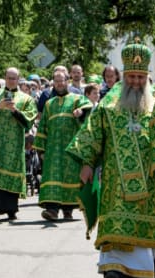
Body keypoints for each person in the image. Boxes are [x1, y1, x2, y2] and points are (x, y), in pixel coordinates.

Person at [66, 39, 155, 278]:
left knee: (143, 232)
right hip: (116, 182)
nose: (136, 82)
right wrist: (87, 163)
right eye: (132, 76)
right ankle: (113, 270)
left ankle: (141, 273)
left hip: (150, 180)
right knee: (116, 225)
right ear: (124, 75)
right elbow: (92, 134)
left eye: (141, 77)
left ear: (147, 77)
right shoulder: (108, 105)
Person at [0, 67, 38, 221]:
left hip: (14, 145)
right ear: (4, 78)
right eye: (9, 77)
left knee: (11, 174)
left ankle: (11, 209)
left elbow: (30, 119)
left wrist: (15, 110)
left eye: (14, 78)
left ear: (18, 79)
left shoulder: (26, 99)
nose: (11, 81)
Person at [34, 70, 92, 221]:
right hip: (53, 151)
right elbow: (42, 128)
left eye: (62, 80)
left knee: (70, 178)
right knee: (53, 178)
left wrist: (82, 111)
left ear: (68, 81)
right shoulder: (48, 104)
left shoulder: (77, 98)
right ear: (53, 82)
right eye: (56, 81)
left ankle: (68, 209)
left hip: (71, 150)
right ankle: (52, 210)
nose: (59, 84)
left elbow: (89, 108)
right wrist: (41, 150)